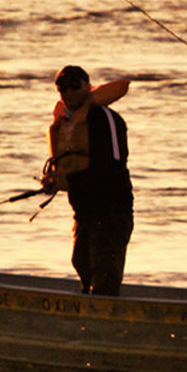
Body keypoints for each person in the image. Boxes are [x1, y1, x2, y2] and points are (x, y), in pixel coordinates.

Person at [40, 65, 134, 296]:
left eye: (75, 86)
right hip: (84, 215)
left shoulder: (105, 119)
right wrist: (55, 181)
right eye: (62, 87)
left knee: (104, 282)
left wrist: (69, 181)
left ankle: (103, 325)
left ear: (88, 87)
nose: (68, 92)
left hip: (111, 214)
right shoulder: (66, 124)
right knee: (81, 265)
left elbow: (110, 169)